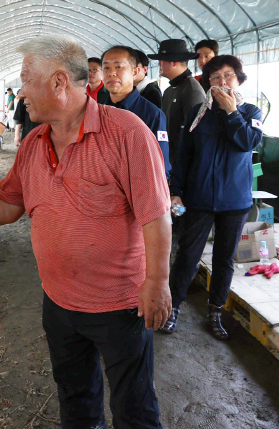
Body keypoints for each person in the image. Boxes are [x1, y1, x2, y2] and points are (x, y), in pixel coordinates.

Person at [0, 34, 171, 429]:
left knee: (134, 404)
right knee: (74, 390)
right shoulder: (34, 141)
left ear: (60, 82)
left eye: (27, 79)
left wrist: (156, 282)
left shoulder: (127, 133)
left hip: (119, 305)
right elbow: (10, 201)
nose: (20, 91)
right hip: (59, 301)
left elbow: (155, 213)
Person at [160, 55, 263, 339]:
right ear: (207, 83)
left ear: (239, 79)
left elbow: (247, 143)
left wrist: (231, 112)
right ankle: (172, 307)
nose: (221, 82)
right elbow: (183, 155)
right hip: (199, 199)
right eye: (215, 78)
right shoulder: (198, 112)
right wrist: (176, 192)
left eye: (228, 76)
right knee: (187, 256)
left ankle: (215, 310)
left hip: (235, 201)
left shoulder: (251, 112)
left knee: (224, 259)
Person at [102, 46, 171, 180]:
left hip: (136, 190)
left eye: (118, 67)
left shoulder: (151, 114)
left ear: (135, 72)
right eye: (106, 68)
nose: (111, 73)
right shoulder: (99, 110)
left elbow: (160, 165)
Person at [148, 39, 205, 169]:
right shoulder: (169, 91)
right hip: (169, 162)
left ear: (174, 62)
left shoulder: (192, 91)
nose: (159, 64)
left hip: (183, 167)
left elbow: (195, 136)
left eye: (162, 60)